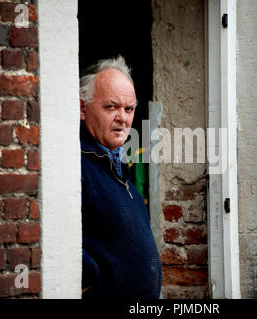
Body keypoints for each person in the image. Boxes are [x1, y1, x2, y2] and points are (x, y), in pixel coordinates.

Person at [79, 56, 161, 299]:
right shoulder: (76, 166)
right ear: (82, 108)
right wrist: (88, 277)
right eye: (111, 106)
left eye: (129, 109)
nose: (123, 118)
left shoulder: (118, 166)